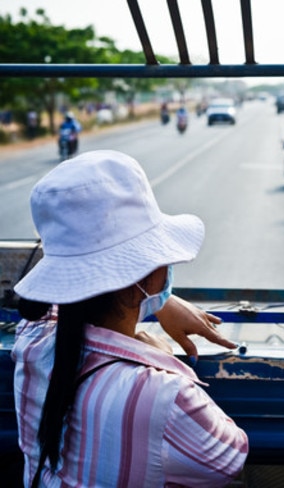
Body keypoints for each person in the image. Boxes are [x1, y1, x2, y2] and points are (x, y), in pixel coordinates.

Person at [12, 150, 248, 487]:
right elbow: (231, 459)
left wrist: (158, 301)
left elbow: (52, 308)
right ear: (148, 279)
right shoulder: (165, 394)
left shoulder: (32, 342)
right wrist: (164, 359)